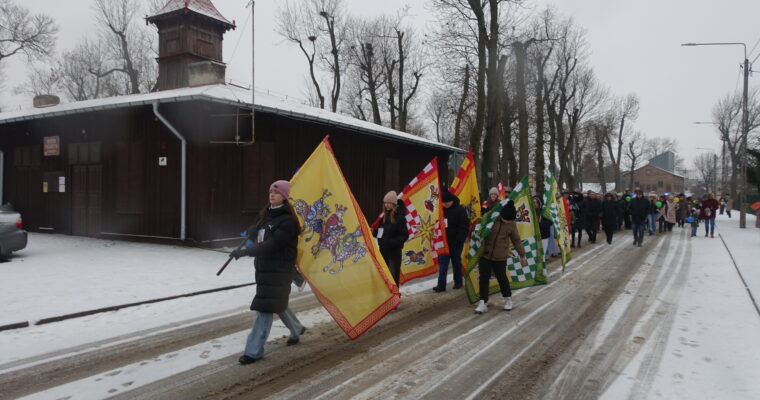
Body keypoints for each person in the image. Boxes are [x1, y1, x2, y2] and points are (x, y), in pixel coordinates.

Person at [231, 180, 305, 364]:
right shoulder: (267, 216)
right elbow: (262, 234)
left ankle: (253, 351)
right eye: (271, 192)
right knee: (277, 303)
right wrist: (252, 232)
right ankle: (296, 328)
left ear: (285, 197)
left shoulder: (287, 221)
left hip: (279, 270)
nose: (272, 195)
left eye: (277, 192)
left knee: (264, 307)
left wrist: (246, 251)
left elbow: (272, 245)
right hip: (266, 269)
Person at [474, 200, 526, 314]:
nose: (508, 222)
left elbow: (516, 240)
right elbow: (480, 228)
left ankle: (508, 299)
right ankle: (483, 301)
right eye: (506, 219)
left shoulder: (512, 224)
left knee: (502, 278)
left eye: (510, 220)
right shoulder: (491, 219)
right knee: (483, 278)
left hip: (500, 255)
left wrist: (522, 255)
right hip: (486, 253)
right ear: (501, 215)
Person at [434, 189, 469, 292]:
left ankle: (458, 282)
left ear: (451, 201)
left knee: (456, 262)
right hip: (443, 242)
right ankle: (441, 285)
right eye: (443, 203)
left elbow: (464, 226)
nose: (444, 205)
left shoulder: (460, 210)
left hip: (456, 242)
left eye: (446, 203)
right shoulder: (441, 210)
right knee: (443, 263)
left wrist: (459, 239)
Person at [374, 191, 409, 286]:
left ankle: (395, 298)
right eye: (385, 203)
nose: (386, 205)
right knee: (385, 278)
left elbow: (404, 235)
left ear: (393, 204)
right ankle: (388, 298)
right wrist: (374, 232)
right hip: (383, 251)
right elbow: (382, 232)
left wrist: (391, 242)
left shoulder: (400, 218)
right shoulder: (385, 217)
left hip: (394, 254)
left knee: (393, 277)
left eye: (389, 203)